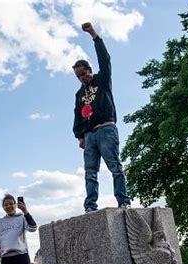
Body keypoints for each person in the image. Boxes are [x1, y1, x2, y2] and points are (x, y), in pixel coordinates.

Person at [72, 22, 131, 213]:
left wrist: (93, 35)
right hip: (89, 135)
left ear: (89, 70)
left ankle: (123, 201)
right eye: (78, 76)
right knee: (90, 172)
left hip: (106, 128)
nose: (82, 78)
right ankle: (90, 205)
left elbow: (105, 59)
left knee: (115, 166)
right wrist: (80, 136)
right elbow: (77, 116)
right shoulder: (79, 94)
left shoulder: (102, 80)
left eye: (83, 73)